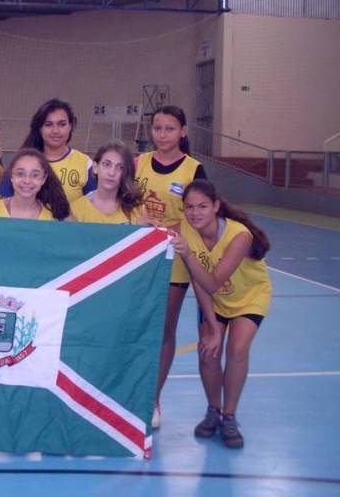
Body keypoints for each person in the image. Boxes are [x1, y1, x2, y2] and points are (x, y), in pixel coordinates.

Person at [170, 180, 271, 449]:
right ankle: (213, 410)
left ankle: (229, 415)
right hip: (214, 299)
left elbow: (213, 281)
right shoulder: (185, 231)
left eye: (202, 206)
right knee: (208, 350)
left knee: (237, 348)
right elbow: (201, 285)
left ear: (216, 206)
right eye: (189, 207)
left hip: (248, 296)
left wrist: (188, 255)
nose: (195, 213)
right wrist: (213, 328)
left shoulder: (239, 235)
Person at [135, 105, 207, 430]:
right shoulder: (138, 164)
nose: (162, 134)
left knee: (164, 329)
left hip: (173, 258)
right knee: (132, 326)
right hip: (136, 256)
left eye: (169, 128)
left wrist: (174, 230)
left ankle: (153, 398)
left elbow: (202, 215)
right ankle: (128, 392)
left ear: (183, 131)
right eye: (157, 128)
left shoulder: (194, 169)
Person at [0, 99, 95, 208]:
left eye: (62, 124)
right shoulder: (21, 162)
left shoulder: (84, 163)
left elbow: (95, 206)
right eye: (48, 125)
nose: (55, 131)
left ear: (70, 126)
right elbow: (5, 204)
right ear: (39, 128)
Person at [71, 141, 146, 224]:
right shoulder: (76, 210)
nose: (112, 173)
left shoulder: (138, 210)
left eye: (120, 167)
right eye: (107, 164)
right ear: (95, 167)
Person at [0, 148, 70, 221]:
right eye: (20, 174)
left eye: (35, 175)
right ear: (11, 176)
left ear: (43, 179)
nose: (27, 181)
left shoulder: (54, 215)